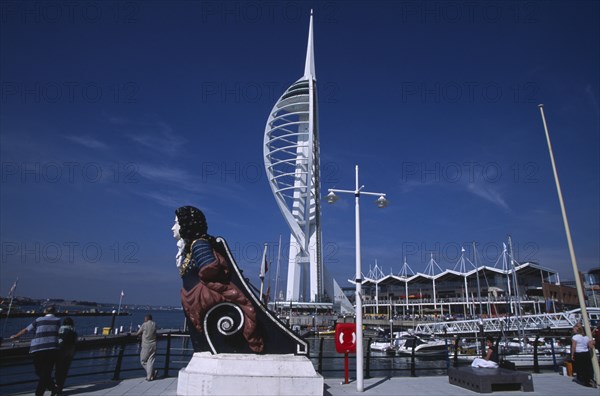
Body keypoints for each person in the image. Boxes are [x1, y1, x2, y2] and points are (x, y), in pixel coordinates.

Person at [174, 206, 263, 353]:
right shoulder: (193, 247)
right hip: (194, 297)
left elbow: (210, 266)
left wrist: (204, 277)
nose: (173, 228)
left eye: (176, 223)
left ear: (186, 224)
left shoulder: (199, 244)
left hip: (201, 297)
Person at [10, 305, 61, 396]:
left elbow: (26, 330)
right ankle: (53, 388)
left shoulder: (38, 320)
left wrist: (16, 336)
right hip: (52, 349)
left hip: (38, 348)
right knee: (46, 372)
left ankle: (40, 393)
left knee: (39, 371)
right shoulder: (58, 320)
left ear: (45, 312)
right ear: (54, 311)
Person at [55, 317, 77, 395]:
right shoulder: (73, 330)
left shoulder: (60, 329)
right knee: (65, 370)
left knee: (58, 369)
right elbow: (75, 341)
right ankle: (60, 386)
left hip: (60, 351)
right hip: (70, 352)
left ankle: (56, 385)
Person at [136, 314, 157, 381]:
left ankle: (152, 372)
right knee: (151, 360)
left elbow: (138, 332)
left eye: (145, 318)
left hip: (146, 345)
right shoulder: (154, 324)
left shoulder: (144, 324)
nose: (144, 319)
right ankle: (150, 376)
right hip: (153, 345)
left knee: (143, 361)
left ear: (147, 318)